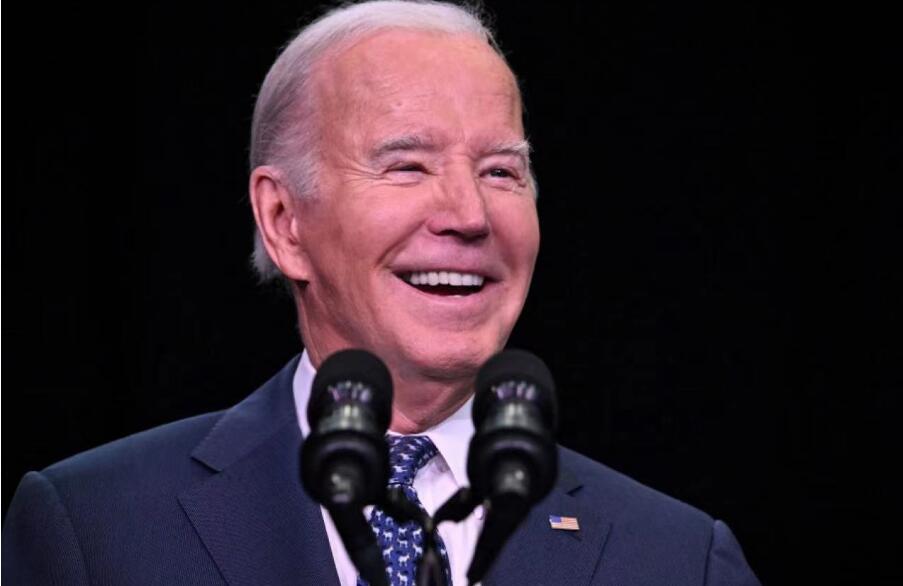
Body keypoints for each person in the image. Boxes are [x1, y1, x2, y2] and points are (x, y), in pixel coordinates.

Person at [2, 1, 760, 584]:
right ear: (284, 221)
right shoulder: (95, 529)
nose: (468, 215)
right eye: (407, 167)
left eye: (500, 171)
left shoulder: (676, 557)